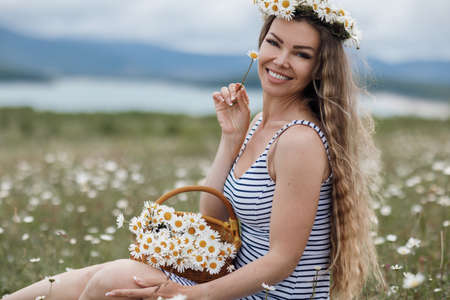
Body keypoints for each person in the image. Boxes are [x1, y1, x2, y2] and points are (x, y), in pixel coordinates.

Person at [5, 1, 386, 299]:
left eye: (301, 54)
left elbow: (282, 260)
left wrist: (191, 295)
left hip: (264, 296)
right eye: (274, 43)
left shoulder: (299, 141)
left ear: (319, 67)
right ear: (260, 44)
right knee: (88, 278)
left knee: (116, 281)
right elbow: (213, 213)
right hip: (234, 280)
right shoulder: (260, 125)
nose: (280, 60)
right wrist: (231, 137)